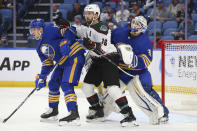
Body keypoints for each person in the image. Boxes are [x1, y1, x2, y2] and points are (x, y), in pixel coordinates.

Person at [76, 4, 137, 127]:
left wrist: (92, 45)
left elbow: (101, 49)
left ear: (96, 15)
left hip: (109, 58)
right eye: (86, 13)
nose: (87, 15)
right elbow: (77, 31)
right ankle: (98, 111)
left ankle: (129, 115)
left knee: (112, 88)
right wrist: (65, 27)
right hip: (97, 60)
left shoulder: (102, 27)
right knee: (86, 87)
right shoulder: (86, 26)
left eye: (90, 13)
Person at [111, 16, 169, 125]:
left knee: (146, 91)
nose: (134, 25)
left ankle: (163, 113)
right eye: (134, 23)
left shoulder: (145, 41)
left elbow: (146, 61)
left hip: (139, 73)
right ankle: (102, 112)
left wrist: (133, 60)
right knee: (109, 92)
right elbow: (107, 37)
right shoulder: (120, 32)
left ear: (143, 28)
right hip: (122, 72)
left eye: (138, 24)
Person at [29, 19, 85, 125]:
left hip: (74, 57)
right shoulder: (39, 48)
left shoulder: (50, 29)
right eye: (31, 30)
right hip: (62, 62)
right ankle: (53, 110)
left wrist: (66, 42)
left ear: (41, 29)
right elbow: (47, 64)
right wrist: (42, 77)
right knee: (53, 83)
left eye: (34, 30)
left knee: (66, 84)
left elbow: (70, 31)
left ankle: (74, 113)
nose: (32, 32)